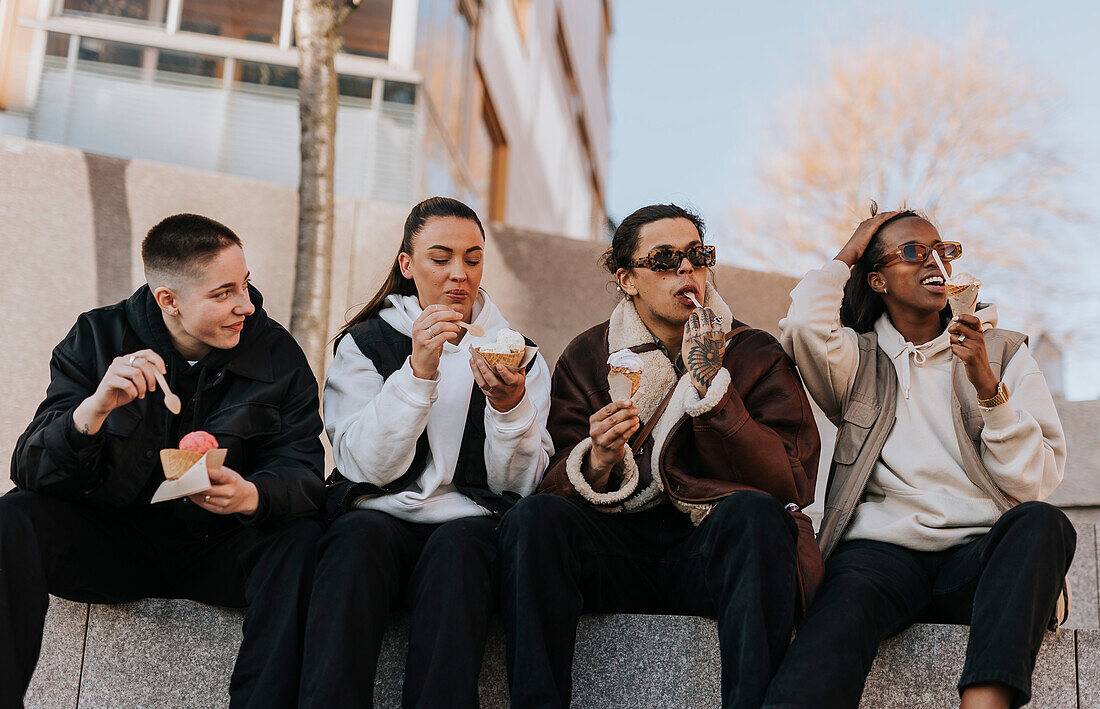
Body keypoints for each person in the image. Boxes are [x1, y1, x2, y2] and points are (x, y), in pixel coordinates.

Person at [497, 203, 823, 709]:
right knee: (534, 519)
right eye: (666, 259)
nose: (687, 270)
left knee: (757, 515)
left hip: (711, 545)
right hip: (615, 549)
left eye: (697, 255)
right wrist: (599, 459)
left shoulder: (753, 352)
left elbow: (790, 483)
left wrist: (714, 387)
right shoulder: (590, 356)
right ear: (628, 280)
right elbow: (551, 479)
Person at [2, 214, 326, 708]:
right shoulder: (98, 336)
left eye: (246, 284)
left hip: (219, 547)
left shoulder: (277, 354)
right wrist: (93, 410)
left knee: (299, 538)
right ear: (168, 300)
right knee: (13, 516)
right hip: (114, 541)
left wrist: (250, 494)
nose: (245, 304)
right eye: (222, 293)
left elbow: (304, 472)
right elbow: (30, 467)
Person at [763, 206, 1073, 709]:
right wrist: (854, 245)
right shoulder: (856, 358)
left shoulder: (1002, 353)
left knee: (1044, 523)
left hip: (978, 554)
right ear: (878, 280)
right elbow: (803, 321)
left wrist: (987, 387)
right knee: (839, 613)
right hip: (881, 555)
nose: (934, 260)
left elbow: (1034, 482)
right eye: (913, 252)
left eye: (942, 250)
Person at [298, 196, 553, 708]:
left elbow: (519, 488)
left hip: (469, 521)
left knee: (460, 556)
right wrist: (417, 373)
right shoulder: (365, 343)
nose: (459, 273)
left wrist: (509, 408)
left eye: (473, 258)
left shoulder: (521, 356)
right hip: (377, 513)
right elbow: (362, 466)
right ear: (407, 265)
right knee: (353, 545)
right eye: (441, 259)